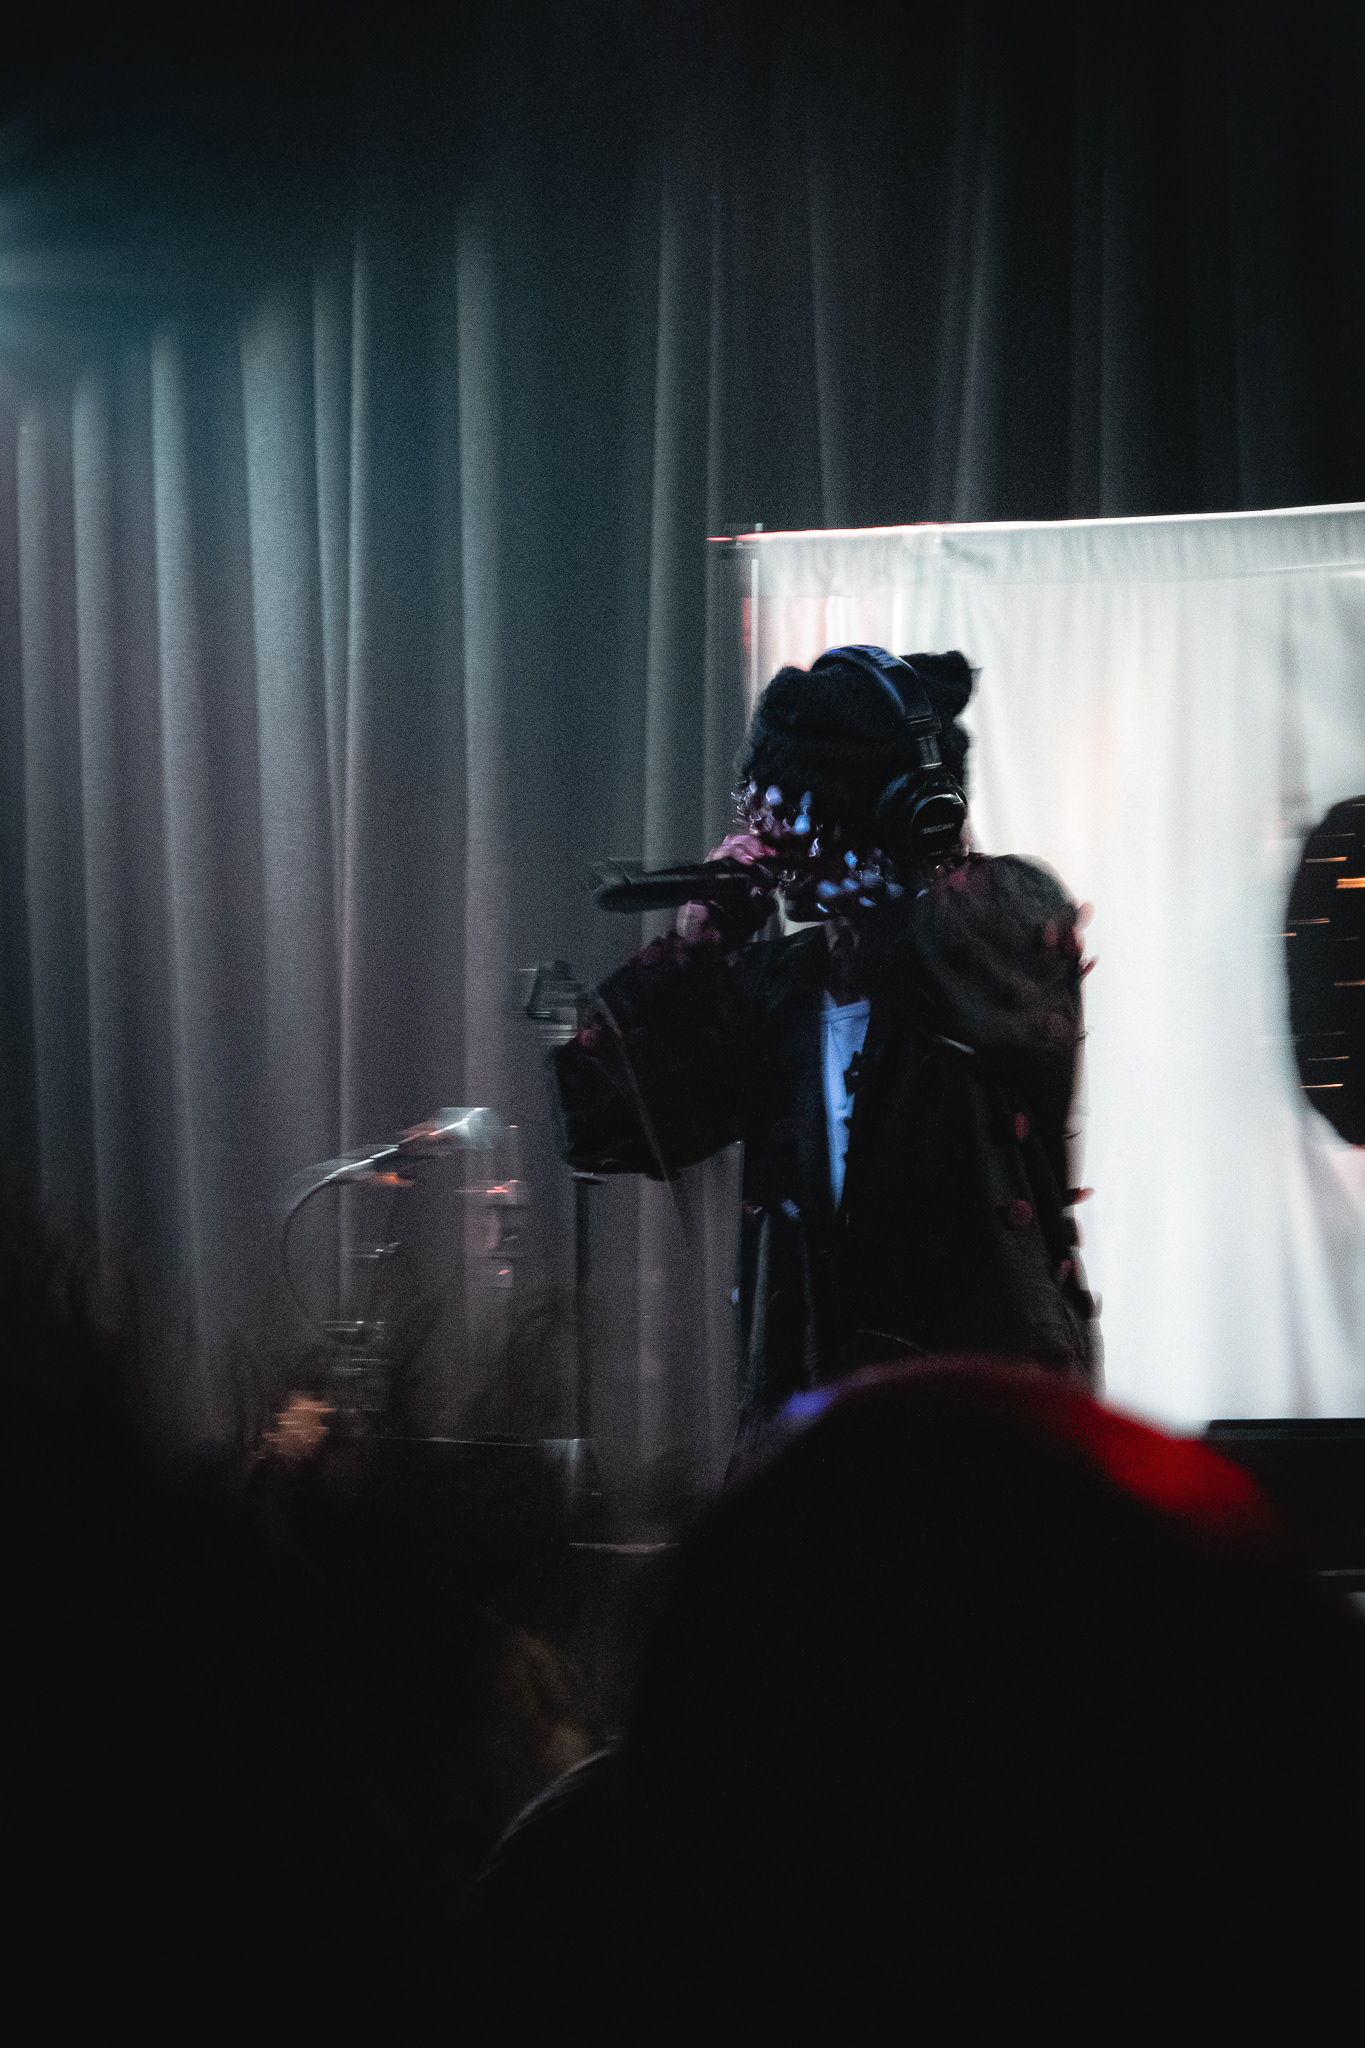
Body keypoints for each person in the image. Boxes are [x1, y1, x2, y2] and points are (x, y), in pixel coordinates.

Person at [553, 646, 1100, 1442]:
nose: (769, 837)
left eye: (794, 810)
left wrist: (888, 851)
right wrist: (693, 950)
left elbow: (941, 938)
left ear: (902, 812)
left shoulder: (1008, 922)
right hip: (815, 1423)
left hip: (989, 1428)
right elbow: (600, 1123)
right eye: (760, 811)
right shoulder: (780, 985)